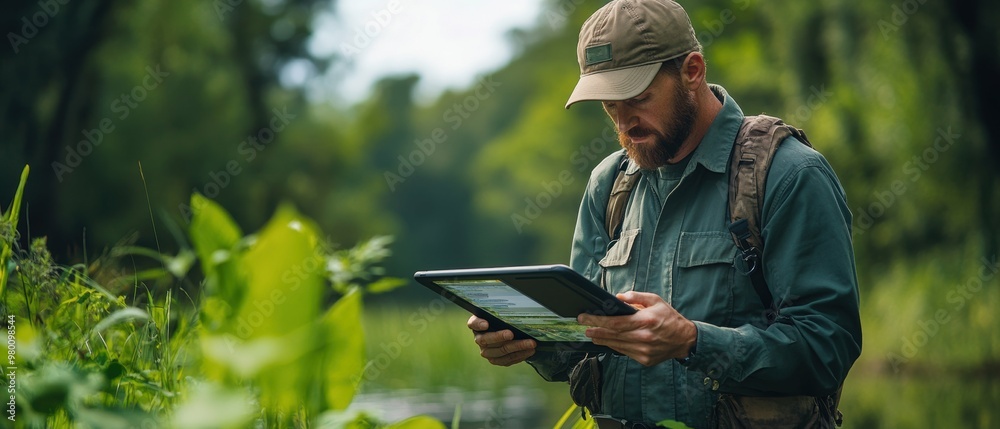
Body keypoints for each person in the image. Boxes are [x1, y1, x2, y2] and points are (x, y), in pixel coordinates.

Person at [467, 0, 862, 427]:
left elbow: (829, 347)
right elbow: (582, 342)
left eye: (637, 97)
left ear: (692, 70)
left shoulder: (789, 174)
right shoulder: (608, 185)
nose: (623, 122)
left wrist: (694, 342)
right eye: (609, 104)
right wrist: (528, 343)